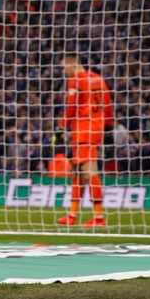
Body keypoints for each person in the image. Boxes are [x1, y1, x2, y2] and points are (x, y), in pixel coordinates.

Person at [56, 55, 113, 227]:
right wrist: (108, 126)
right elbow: (107, 104)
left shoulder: (76, 80)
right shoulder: (98, 79)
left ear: (72, 65)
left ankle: (98, 217)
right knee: (77, 173)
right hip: (96, 128)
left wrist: (61, 127)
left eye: (64, 68)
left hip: (83, 130)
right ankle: (72, 215)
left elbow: (71, 106)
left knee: (89, 172)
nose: (64, 72)